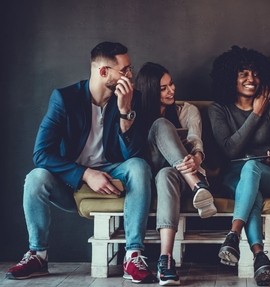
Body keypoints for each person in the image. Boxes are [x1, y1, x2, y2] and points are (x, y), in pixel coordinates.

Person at [5, 42, 156, 283]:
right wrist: (85, 173)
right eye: (125, 70)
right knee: (35, 177)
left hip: (114, 174)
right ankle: (38, 255)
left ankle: (133, 254)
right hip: (71, 181)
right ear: (104, 72)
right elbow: (41, 153)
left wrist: (126, 113)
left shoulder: (132, 98)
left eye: (130, 69)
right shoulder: (65, 98)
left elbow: (136, 155)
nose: (130, 75)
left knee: (139, 167)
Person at [208, 45, 270, 286]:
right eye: (244, 74)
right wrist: (256, 114)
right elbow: (230, 149)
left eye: (255, 73)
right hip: (233, 176)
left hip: (267, 173)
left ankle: (233, 234)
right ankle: (260, 256)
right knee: (252, 196)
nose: (252, 79)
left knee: (252, 168)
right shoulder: (218, 109)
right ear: (230, 78)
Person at [135, 62, 216, 286]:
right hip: (154, 179)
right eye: (163, 88)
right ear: (150, 90)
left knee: (168, 172)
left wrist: (196, 157)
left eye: (171, 85)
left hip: (181, 178)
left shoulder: (187, 110)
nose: (171, 90)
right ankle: (198, 186)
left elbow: (195, 140)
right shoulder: (137, 116)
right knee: (161, 131)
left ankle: (165, 259)